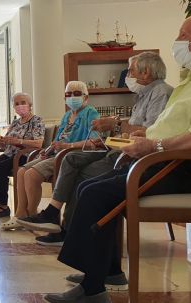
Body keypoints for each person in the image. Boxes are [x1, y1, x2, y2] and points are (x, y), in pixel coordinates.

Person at [45, 13, 191, 303]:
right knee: (88, 188)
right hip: (165, 161)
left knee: (95, 192)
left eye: (183, 34)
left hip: (190, 166)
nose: (177, 41)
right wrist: (146, 140)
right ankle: (106, 271)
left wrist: (153, 145)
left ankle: (93, 288)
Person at [17, 51, 173, 247]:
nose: (127, 76)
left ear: (146, 72)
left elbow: (148, 132)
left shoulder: (160, 92)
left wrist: (115, 124)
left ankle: (67, 230)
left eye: (130, 71)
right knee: (70, 160)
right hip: (119, 149)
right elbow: (131, 130)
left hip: (133, 157)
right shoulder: (142, 95)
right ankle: (52, 214)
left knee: (79, 173)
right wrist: (117, 128)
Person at [3, 81, 99, 230]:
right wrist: (47, 150)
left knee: (31, 175)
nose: (72, 97)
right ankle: (21, 214)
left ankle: (33, 215)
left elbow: (94, 140)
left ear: (86, 97)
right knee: (22, 171)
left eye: (77, 94)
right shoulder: (67, 116)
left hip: (70, 156)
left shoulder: (90, 113)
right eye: (68, 94)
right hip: (55, 153)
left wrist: (68, 146)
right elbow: (58, 140)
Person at [0, 92, 45, 219]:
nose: (20, 106)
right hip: (9, 153)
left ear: (30, 105)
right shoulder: (15, 123)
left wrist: (19, 141)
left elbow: (39, 144)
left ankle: (3, 207)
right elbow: (6, 144)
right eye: (17, 104)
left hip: (25, 155)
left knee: (0, 168)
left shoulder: (37, 121)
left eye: (23, 102)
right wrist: (1, 141)